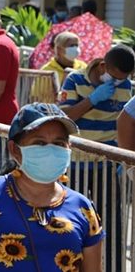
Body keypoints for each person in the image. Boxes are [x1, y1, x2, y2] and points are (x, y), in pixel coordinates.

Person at [0, 103, 104, 272]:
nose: (50, 150)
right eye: (39, 143)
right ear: (15, 150)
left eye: (59, 143)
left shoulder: (84, 209)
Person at [59, 45, 134, 271]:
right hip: (76, 164)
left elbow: (126, 123)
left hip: (108, 165)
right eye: (116, 77)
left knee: (111, 222)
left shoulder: (126, 87)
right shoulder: (74, 80)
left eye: (124, 79)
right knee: (71, 220)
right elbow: (64, 116)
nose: (120, 83)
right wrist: (92, 99)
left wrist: (125, 158)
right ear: (103, 66)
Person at [30, 31, 87, 102]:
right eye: (71, 46)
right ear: (59, 49)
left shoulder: (83, 67)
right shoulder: (47, 70)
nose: (75, 48)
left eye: (77, 45)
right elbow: (36, 96)